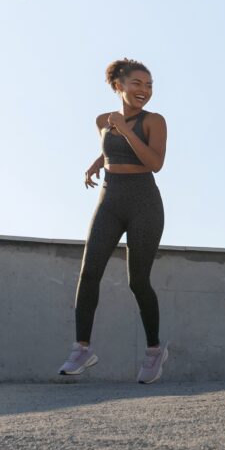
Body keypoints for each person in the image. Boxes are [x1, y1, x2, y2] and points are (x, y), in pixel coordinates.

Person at [58, 58, 169, 384]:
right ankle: (81, 348)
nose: (144, 90)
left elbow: (154, 162)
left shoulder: (154, 121)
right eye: (137, 83)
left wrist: (124, 128)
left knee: (138, 280)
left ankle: (154, 351)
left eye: (149, 85)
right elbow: (112, 147)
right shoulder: (102, 121)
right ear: (118, 86)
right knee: (89, 272)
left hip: (144, 202)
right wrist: (98, 161)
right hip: (110, 198)